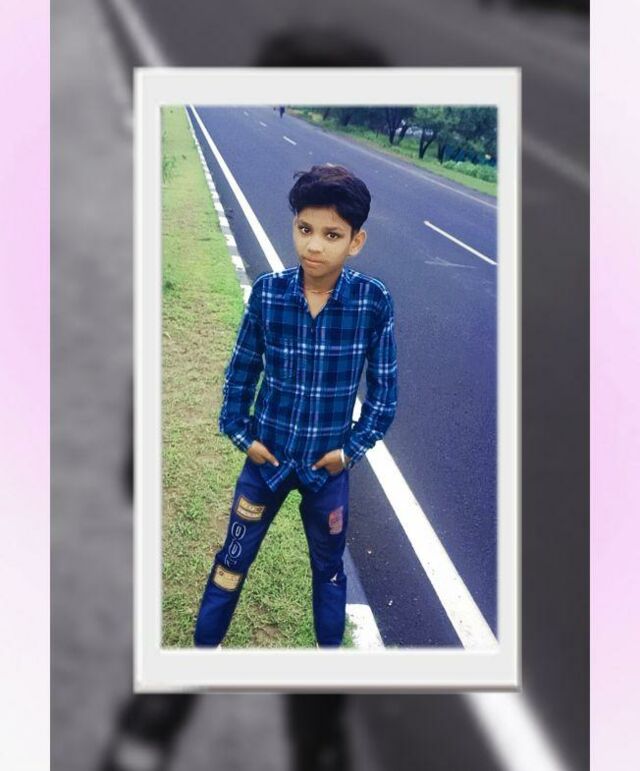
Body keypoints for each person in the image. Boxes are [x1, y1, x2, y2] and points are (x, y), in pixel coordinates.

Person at [193, 164, 398, 648]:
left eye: (332, 234)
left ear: (356, 242)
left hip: (327, 472)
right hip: (266, 463)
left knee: (329, 571)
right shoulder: (269, 294)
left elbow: (384, 396)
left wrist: (348, 453)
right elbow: (241, 374)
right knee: (231, 561)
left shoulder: (372, 303)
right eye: (305, 229)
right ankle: (202, 656)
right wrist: (244, 437)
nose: (314, 246)